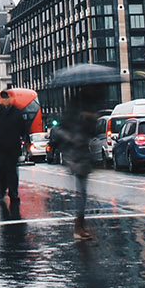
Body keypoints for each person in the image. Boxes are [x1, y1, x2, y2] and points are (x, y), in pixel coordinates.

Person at [53, 89, 100, 240]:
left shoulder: (83, 115)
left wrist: (91, 119)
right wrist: (74, 138)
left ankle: (80, 224)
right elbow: (61, 131)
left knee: (82, 193)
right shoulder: (72, 115)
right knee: (81, 193)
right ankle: (78, 226)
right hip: (75, 157)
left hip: (82, 156)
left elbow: (92, 133)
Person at [0, 88, 28, 207]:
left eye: (7, 98)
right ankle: (2, 190)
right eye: (3, 99)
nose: (5, 101)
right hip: (1, 146)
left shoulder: (16, 112)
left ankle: (13, 193)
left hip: (13, 147)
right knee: (2, 170)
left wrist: (23, 138)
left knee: (12, 171)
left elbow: (23, 128)